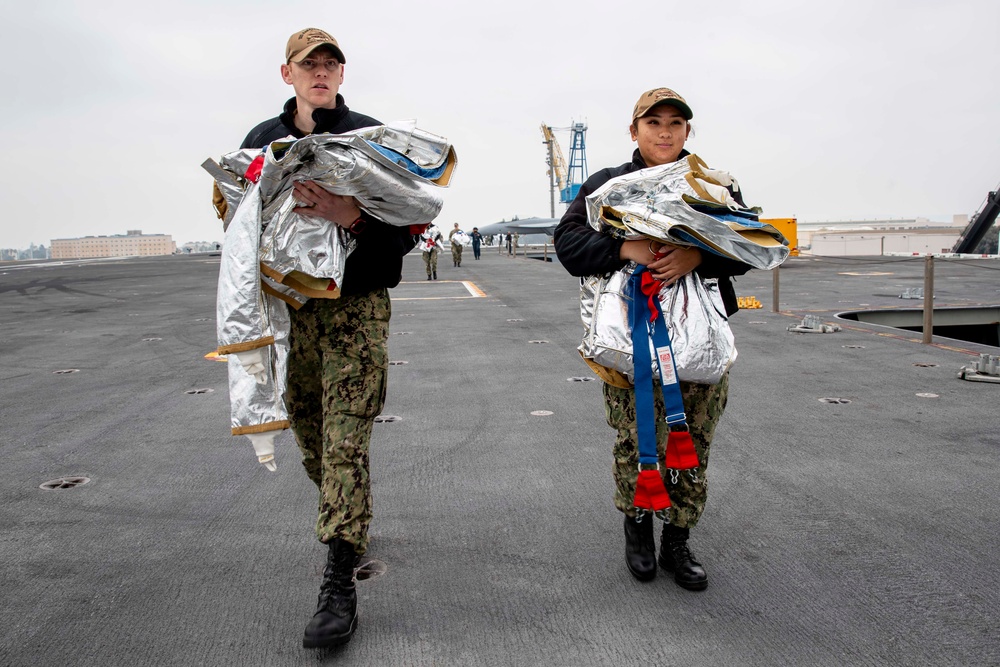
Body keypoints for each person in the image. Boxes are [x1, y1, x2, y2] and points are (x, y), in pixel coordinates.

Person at [239, 28, 419, 648]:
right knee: (309, 427)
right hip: (294, 314)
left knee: (346, 439)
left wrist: (351, 216)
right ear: (286, 74)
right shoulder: (262, 142)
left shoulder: (368, 139)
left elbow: (404, 235)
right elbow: (244, 227)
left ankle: (339, 579)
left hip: (357, 308)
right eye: (308, 64)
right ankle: (348, 509)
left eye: (330, 64)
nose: (321, 72)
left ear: (342, 74)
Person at [553, 87, 752, 591]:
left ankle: (679, 539)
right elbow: (570, 245)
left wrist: (699, 256)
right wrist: (626, 247)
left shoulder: (712, 184)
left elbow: (752, 245)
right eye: (653, 122)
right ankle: (638, 527)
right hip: (629, 338)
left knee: (694, 442)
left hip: (701, 344)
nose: (665, 132)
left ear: (688, 131)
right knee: (635, 437)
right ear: (634, 130)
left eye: (675, 124)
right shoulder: (607, 185)